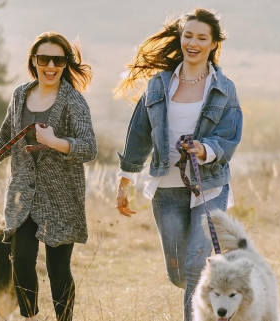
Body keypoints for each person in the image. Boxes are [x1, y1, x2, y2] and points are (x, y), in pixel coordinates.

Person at [112, 8, 243, 321]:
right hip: (166, 188)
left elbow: (230, 136)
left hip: (209, 187)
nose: (193, 43)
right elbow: (138, 134)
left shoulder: (225, 89)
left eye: (202, 38)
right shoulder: (158, 85)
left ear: (214, 43)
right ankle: (215, 289)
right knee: (179, 274)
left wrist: (204, 149)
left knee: (196, 267)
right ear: (181, 38)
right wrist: (125, 182)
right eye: (188, 36)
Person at [0, 31, 96, 321]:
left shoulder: (74, 102)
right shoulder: (20, 95)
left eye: (58, 60)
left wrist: (55, 142)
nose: (51, 66)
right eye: (44, 59)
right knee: (21, 262)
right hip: (22, 195)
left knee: (57, 269)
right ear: (33, 61)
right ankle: (30, 317)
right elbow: (5, 139)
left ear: (65, 63)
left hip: (61, 198)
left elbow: (89, 148)